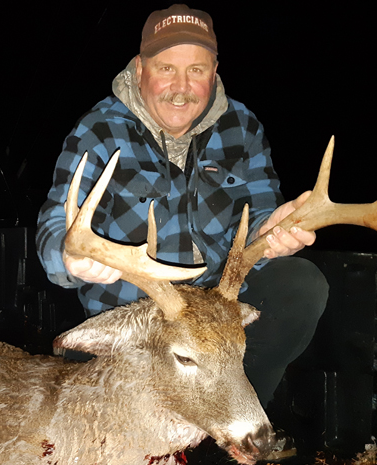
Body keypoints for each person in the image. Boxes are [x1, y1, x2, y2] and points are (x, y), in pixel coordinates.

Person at [36, 4, 328, 434]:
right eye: (166, 69)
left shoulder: (241, 127)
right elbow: (54, 227)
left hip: (218, 303)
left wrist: (273, 231)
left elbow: (263, 207)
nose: (181, 87)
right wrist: (69, 256)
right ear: (139, 69)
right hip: (139, 314)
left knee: (302, 286)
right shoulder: (99, 131)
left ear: (214, 70)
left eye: (196, 70)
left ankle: (230, 432)